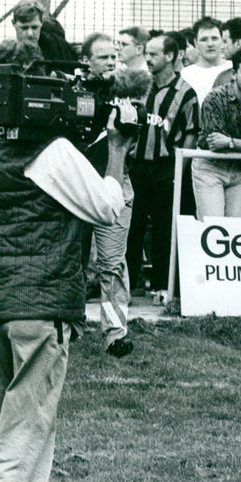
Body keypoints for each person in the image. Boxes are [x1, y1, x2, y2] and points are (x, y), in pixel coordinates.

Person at [0, 40, 132, 482]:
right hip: (38, 300)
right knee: (28, 420)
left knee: (2, 419)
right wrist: (118, 150)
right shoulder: (49, 151)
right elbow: (106, 207)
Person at [80, 32, 144, 357]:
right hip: (76, 184)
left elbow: (137, 133)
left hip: (117, 183)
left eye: (113, 56)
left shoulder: (127, 93)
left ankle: (115, 334)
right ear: (86, 61)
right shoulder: (73, 93)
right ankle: (70, 325)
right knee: (72, 260)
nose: (109, 61)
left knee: (112, 261)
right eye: (102, 56)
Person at [127, 35, 198, 304]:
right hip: (137, 167)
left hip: (167, 168)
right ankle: (128, 286)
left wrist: (180, 170)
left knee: (163, 228)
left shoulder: (186, 93)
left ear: (169, 56)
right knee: (131, 227)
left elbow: (191, 134)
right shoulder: (140, 87)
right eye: (146, 53)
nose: (147, 58)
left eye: (154, 54)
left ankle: (161, 287)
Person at [192, 48, 241, 219]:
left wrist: (229, 142)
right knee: (212, 226)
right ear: (234, 74)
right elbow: (214, 142)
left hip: (240, 169)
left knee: (233, 231)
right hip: (210, 167)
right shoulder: (214, 98)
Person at [180, 16, 230, 106]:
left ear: (222, 41)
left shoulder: (233, 68)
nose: (210, 44)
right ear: (196, 43)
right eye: (204, 39)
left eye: (214, 38)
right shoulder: (185, 75)